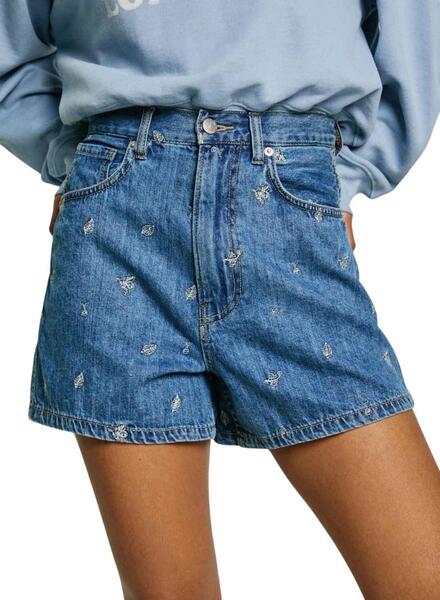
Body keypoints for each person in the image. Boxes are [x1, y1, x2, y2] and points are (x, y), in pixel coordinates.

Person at [1, 2, 440, 598]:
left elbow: (416, 39)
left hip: (284, 202)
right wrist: (71, 159)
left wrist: (347, 176)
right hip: (117, 215)